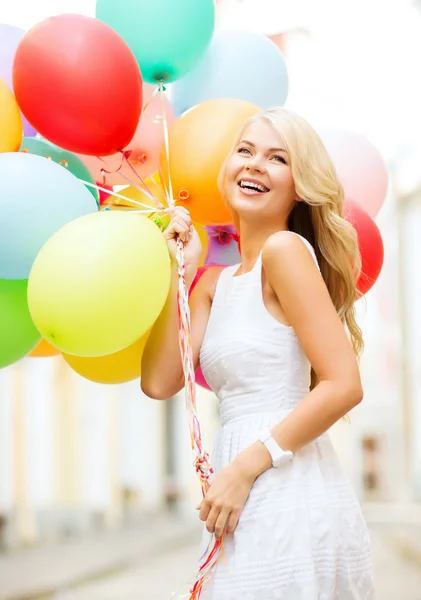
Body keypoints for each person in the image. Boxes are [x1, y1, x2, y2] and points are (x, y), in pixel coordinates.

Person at [141, 107, 374, 599]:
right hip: (236, 492)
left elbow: (344, 384)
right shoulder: (213, 285)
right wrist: (179, 273)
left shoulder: (285, 252)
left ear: (299, 185)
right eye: (244, 151)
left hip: (283, 483)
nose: (253, 165)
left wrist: (247, 467)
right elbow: (160, 382)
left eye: (276, 158)